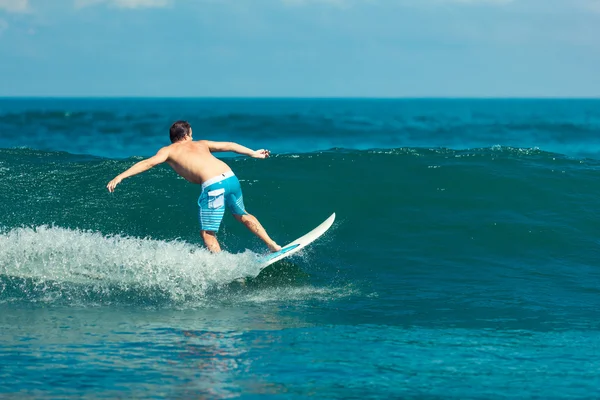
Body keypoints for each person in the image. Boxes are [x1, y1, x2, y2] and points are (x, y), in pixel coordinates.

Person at [106, 120, 281, 253]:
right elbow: (230, 145)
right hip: (230, 178)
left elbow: (148, 163)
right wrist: (253, 153)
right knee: (242, 215)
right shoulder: (201, 143)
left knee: (207, 233)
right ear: (187, 134)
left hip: (214, 185)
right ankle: (272, 244)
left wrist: (120, 176)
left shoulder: (168, 151)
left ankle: (222, 266)